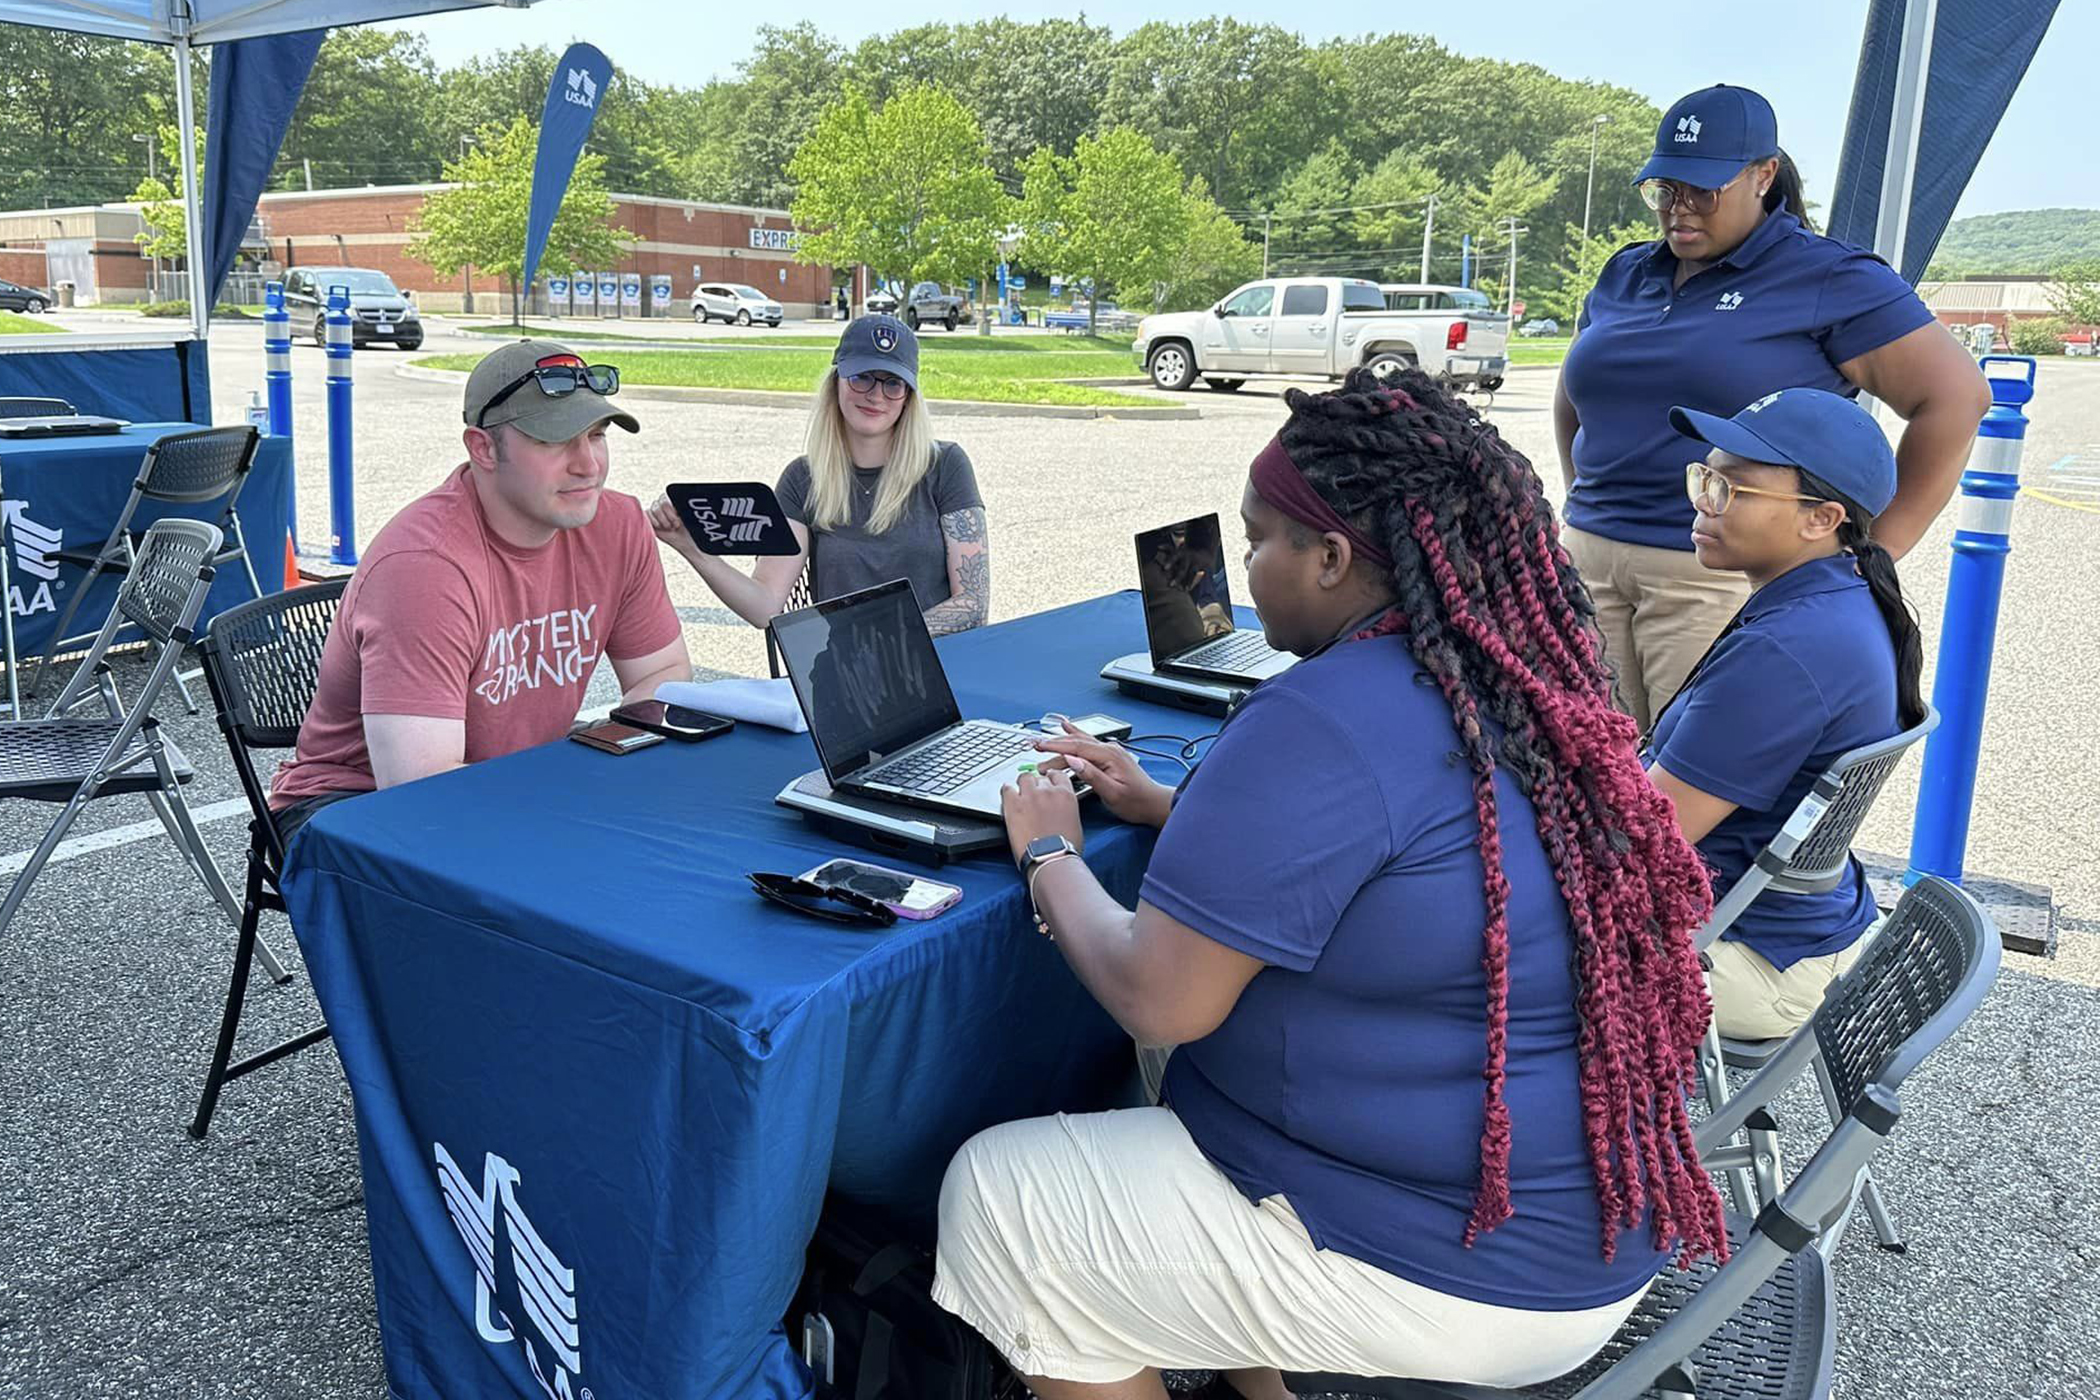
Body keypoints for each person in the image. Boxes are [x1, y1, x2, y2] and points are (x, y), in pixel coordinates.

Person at [935, 369, 1727, 1400]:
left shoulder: (1323, 713)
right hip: (1583, 1228)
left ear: (1333, 556)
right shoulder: (1524, 688)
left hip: (1456, 1272)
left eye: (1258, 537)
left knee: (1001, 1200)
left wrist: (1051, 854)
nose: (1248, 563)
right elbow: (1402, 865)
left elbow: (1157, 995)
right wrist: (1171, 810)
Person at [1554, 82, 1986, 730]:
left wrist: (1871, 557)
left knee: (1680, 799)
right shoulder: (1626, 273)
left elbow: (1955, 399)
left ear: (1763, 175)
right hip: (1588, 562)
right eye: (1664, 189)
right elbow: (1576, 392)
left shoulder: (1826, 276)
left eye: (1704, 190)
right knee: (1584, 777)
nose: (1680, 209)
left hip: (1717, 578)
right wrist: (1582, 499)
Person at [271, 341, 692, 831]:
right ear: (483, 448)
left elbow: (663, 671)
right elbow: (420, 789)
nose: (588, 464)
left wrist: (610, 754)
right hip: (351, 807)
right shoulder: (424, 566)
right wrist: (582, 789)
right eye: (555, 441)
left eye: (596, 435)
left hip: (509, 772)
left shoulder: (617, 523)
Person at [1646, 388, 1926, 1040]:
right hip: (1780, 928)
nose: (1701, 501)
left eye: (1731, 489)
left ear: (1820, 519)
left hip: (1742, 955)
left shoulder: (1787, 651)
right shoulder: (1837, 595)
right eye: (1704, 476)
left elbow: (1643, 839)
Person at [649, 314, 990, 636]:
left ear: (908, 398)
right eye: (862, 377)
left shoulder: (945, 465)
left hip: (936, 665)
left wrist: (891, 637)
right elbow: (765, 605)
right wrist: (694, 549)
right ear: (837, 381)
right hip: (845, 674)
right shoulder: (804, 479)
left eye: (893, 384)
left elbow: (973, 604)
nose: (875, 395)